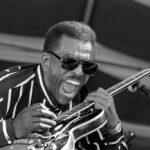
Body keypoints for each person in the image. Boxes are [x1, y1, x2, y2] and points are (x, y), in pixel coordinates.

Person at [0, 21, 128, 150]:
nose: (79, 73)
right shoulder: (6, 89)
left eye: (88, 66)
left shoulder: (86, 105)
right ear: (46, 61)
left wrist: (113, 126)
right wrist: (12, 129)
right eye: (69, 62)